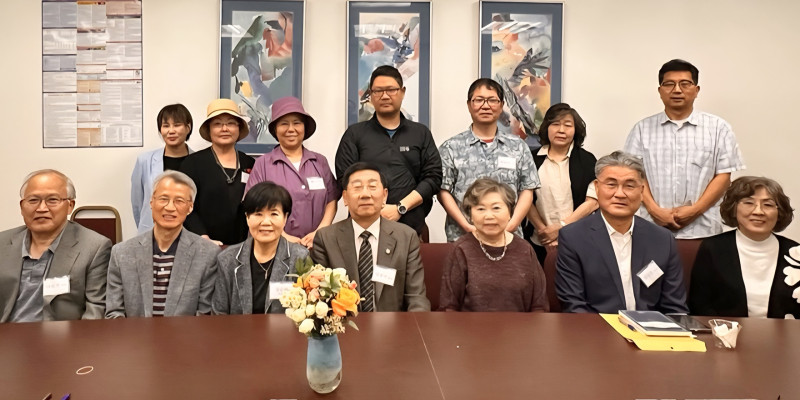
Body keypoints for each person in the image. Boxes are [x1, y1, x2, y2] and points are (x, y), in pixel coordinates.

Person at [624, 59, 745, 239]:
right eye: (669, 84)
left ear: (696, 90)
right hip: (651, 228)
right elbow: (633, 175)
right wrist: (655, 210)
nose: (677, 90)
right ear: (660, 90)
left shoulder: (719, 128)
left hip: (704, 230)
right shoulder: (642, 129)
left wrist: (695, 210)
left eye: (685, 84)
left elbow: (723, 176)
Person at [556, 151, 688, 314]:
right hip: (596, 327)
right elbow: (574, 306)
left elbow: (674, 308)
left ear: (641, 191)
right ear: (597, 188)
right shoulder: (573, 237)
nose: (619, 194)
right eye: (611, 185)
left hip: (650, 328)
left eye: (629, 186)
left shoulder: (662, 239)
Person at [335, 65, 442, 237]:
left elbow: (433, 178)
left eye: (391, 90)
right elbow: (346, 180)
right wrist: (376, 211)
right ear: (371, 95)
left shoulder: (420, 133)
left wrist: (400, 208)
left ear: (402, 92)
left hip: (411, 228)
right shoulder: (354, 134)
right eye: (378, 91)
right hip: (364, 229)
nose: (385, 96)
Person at [311, 162, 430, 311]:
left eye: (372, 187)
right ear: (345, 198)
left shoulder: (406, 237)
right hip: (344, 324)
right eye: (357, 187)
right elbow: (319, 298)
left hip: (394, 324)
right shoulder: (326, 238)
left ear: (385, 195)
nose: (365, 194)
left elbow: (416, 298)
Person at [0, 170, 111, 322]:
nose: (41, 208)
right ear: (22, 206)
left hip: (62, 335)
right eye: (33, 200)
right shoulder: (3, 243)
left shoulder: (94, 247)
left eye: (52, 200)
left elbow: (96, 309)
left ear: (70, 205)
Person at [106, 171, 219, 318]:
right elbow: (114, 312)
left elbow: (204, 315)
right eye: (163, 199)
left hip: (186, 333)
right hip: (134, 333)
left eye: (179, 201)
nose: (170, 207)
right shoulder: (121, 253)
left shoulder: (208, 254)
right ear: (151, 202)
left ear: (190, 207)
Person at [438, 78, 539, 243]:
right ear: (469, 105)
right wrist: (467, 227)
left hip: (509, 238)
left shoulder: (518, 146)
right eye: (479, 100)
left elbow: (527, 189)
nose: (485, 106)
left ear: (501, 105)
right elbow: (443, 191)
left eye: (492, 100)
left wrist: (511, 225)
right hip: (463, 238)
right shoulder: (451, 147)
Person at [689, 177, 800, 318]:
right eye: (749, 203)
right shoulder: (713, 248)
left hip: (785, 332)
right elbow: (699, 305)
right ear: (734, 208)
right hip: (726, 331)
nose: (758, 211)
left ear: (780, 212)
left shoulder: (795, 252)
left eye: (768, 204)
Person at [439, 178, 548, 312]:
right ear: (470, 215)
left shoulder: (525, 249)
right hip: (472, 325)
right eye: (481, 209)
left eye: (496, 208)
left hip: (520, 325)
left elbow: (539, 305)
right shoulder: (461, 249)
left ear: (510, 213)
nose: (489, 216)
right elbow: (449, 307)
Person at [244, 97, 340, 248]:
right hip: (273, 246)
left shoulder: (320, 161)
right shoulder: (263, 164)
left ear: (304, 127)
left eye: (297, 123)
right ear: (275, 129)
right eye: (284, 124)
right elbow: (252, 206)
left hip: (316, 245)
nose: (291, 129)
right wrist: (283, 237)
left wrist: (319, 232)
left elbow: (331, 200)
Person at [213, 182, 310, 315]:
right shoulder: (227, 259)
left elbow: (307, 313)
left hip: (284, 329)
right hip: (238, 328)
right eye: (258, 214)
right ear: (247, 217)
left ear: (285, 218)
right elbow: (219, 314)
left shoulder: (300, 257)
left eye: (274, 214)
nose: (265, 222)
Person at [525, 103, 598, 265]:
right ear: (547, 128)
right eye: (555, 124)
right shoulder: (530, 159)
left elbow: (592, 202)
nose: (561, 130)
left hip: (579, 240)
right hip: (539, 241)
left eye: (568, 125)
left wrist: (561, 227)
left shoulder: (587, 160)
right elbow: (525, 198)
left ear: (576, 130)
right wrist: (544, 232)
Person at [180, 99, 256, 246]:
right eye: (217, 124)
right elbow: (183, 205)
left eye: (231, 123)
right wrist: (203, 238)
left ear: (239, 128)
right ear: (209, 129)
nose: (224, 128)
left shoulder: (250, 163)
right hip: (202, 245)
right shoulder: (192, 163)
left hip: (244, 246)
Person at [131, 104, 194, 234]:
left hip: (191, 233)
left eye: (177, 125)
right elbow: (138, 203)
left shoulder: (199, 161)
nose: (171, 131)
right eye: (166, 126)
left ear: (188, 127)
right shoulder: (145, 161)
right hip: (153, 232)